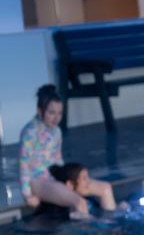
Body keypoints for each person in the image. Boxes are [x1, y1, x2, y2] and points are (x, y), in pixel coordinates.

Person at [19, 85, 118, 218]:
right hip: (39, 182)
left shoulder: (56, 131)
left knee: (105, 188)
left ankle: (112, 228)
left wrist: (67, 177)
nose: (56, 118)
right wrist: (27, 195)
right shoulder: (30, 132)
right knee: (80, 203)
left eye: (59, 113)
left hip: (55, 177)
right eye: (51, 113)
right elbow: (24, 164)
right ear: (40, 110)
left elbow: (58, 159)